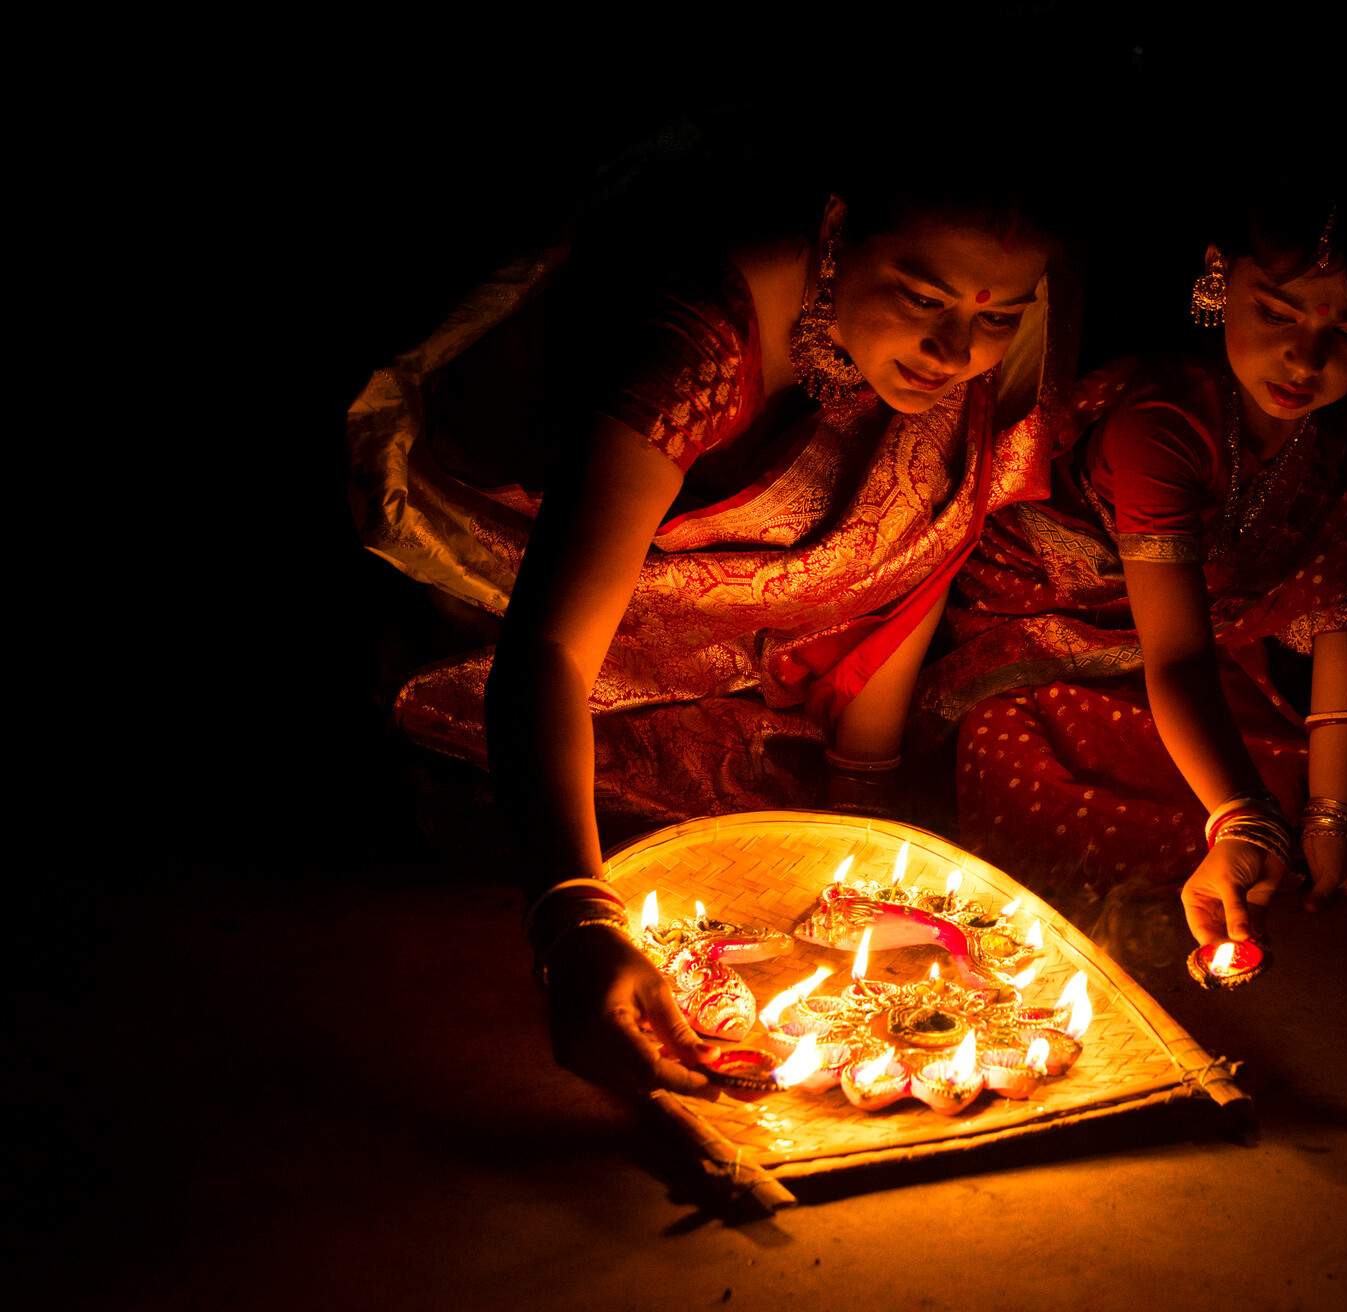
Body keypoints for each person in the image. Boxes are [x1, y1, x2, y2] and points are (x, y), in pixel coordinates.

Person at [348, 161, 1071, 1097]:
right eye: (922, 297)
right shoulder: (694, 347)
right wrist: (572, 923)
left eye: (997, 318)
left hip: (758, 606)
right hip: (578, 584)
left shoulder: (958, 347)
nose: (954, 348)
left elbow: (931, 531)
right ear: (839, 229)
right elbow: (556, 644)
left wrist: (870, 803)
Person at [915, 186, 1347, 956]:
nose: (1306, 358)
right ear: (1220, 280)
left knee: (1284, 786)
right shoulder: (1164, 425)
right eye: (1279, 314)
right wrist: (1243, 818)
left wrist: (1330, 819)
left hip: (1200, 660)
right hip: (1045, 651)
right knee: (1063, 807)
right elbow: (1177, 657)